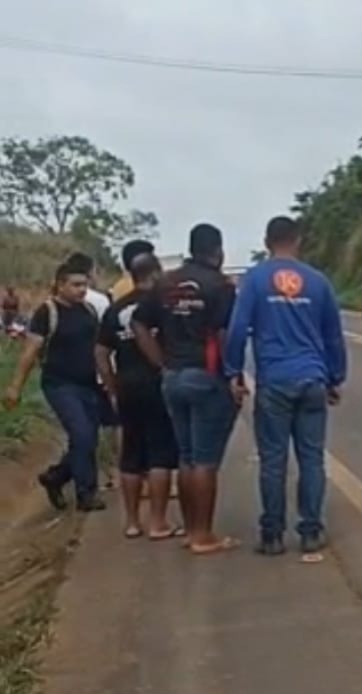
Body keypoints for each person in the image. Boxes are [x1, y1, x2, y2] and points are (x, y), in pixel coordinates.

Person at [224, 216, 347, 556]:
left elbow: (237, 329)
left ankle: (272, 535)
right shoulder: (318, 282)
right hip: (312, 379)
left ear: (267, 242)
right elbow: (333, 336)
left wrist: (233, 370)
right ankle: (310, 531)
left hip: (274, 382)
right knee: (311, 458)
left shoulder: (254, 281)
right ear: (299, 240)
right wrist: (335, 377)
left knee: (273, 460)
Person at [132, 224, 240, 555]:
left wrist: (161, 363)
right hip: (206, 376)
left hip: (173, 377)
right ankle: (203, 536)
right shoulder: (221, 286)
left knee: (188, 458)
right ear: (217, 251)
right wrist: (233, 373)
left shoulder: (165, 282)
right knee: (205, 461)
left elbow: (138, 323)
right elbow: (223, 334)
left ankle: (191, 531)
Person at [3, 261, 104, 511]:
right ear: (60, 285)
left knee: (88, 439)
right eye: (76, 285)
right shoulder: (47, 313)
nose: (82, 290)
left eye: (85, 285)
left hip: (89, 384)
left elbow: (98, 350)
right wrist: (15, 386)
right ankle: (86, 494)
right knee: (82, 434)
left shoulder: (89, 311)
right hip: (60, 385)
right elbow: (30, 351)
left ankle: (56, 477)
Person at [96, 253, 182, 540]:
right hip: (158, 384)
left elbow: (100, 352)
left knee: (131, 456)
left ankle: (132, 522)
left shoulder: (116, 308)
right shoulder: (164, 305)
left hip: (127, 386)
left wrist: (112, 386)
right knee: (160, 454)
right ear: (156, 274)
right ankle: (158, 523)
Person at [65, 252, 120, 489]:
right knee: (109, 425)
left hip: (72, 376)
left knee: (83, 430)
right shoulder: (98, 301)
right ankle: (112, 472)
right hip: (99, 373)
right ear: (90, 272)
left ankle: (83, 476)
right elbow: (108, 342)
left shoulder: (58, 301)